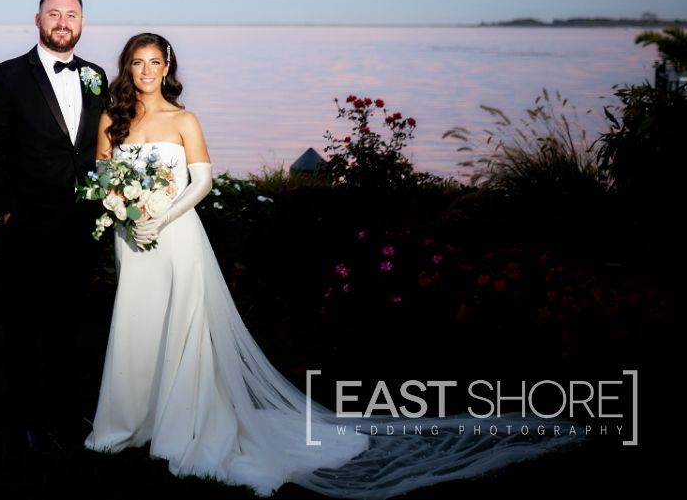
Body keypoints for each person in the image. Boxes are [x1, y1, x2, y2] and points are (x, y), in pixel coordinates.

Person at [85, 32, 567, 497]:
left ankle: (179, 428)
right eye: (137, 62)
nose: (146, 71)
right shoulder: (114, 117)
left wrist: (163, 217)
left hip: (177, 234)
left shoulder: (185, 120)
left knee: (182, 327)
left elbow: (201, 183)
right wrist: (126, 213)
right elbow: (104, 175)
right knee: (135, 326)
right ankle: (127, 422)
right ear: (127, 67)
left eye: (155, 62)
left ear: (167, 68)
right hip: (133, 238)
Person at [0, 0, 109, 454]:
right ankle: (26, 419)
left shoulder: (96, 76)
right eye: (54, 13)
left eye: (71, 14)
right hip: (27, 222)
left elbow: (98, 148)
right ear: (37, 20)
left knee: (68, 323)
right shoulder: (8, 76)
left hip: (80, 223)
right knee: (24, 325)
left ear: (82, 23)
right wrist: (2, 208)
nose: (62, 22)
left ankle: (67, 412)